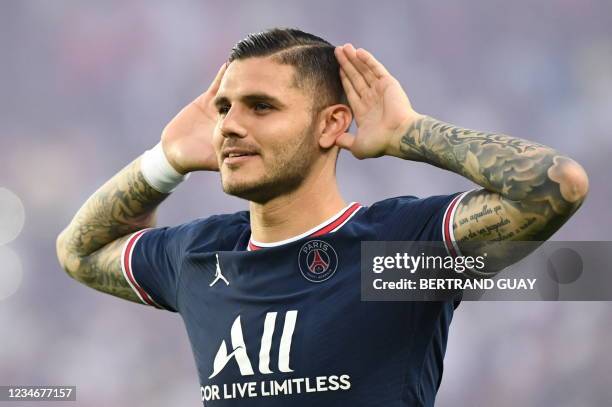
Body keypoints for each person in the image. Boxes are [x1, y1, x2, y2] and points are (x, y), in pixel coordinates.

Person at [56, 28, 588, 406]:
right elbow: (76, 252)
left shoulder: (397, 250)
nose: (230, 126)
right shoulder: (195, 255)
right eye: (224, 108)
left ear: (331, 124)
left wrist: (411, 133)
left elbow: (556, 184)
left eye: (261, 107)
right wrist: (164, 161)